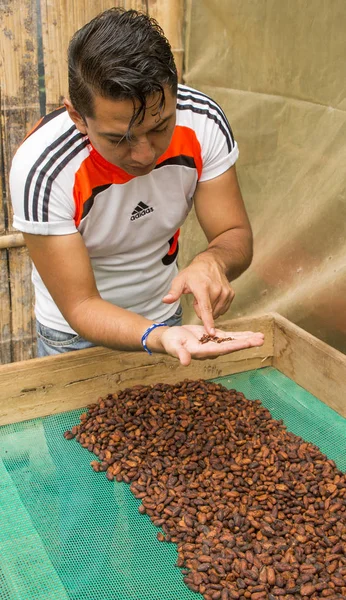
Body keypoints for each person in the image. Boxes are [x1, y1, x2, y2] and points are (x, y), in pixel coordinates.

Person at [10, 7, 264, 365]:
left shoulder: (204, 122)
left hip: (167, 317)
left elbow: (234, 232)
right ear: (77, 117)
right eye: (120, 138)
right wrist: (154, 335)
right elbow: (80, 304)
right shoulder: (43, 169)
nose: (145, 155)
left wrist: (213, 261)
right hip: (73, 336)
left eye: (160, 127)